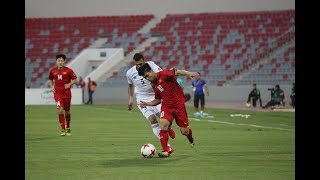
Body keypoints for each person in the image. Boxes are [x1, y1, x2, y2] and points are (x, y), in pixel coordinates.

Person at [138, 63, 200, 158]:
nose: (147, 78)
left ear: (151, 71)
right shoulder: (154, 85)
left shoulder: (164, 74)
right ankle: (166, 150)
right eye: (145, 78)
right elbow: (158, 100)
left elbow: (177, 72)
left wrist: (189, 73)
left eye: (147, 75)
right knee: (163, 124)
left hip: (179, 106)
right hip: (167, 107)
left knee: (184, 131)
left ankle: (190, 138)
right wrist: (147, 103)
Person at [126, 53, 175, 145]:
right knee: (152, 119)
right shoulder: (129, 73)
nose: (139, 66)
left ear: (144, 61)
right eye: (137, 64)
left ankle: (169, 127)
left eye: (141, 64)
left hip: (156, 96)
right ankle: (166, 145)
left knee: (165, 119)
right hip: (142, 98)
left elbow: (161, 74)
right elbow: (130, 86)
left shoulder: (151, 65)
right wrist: (130, 98)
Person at [48, 54, 77, 136]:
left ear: (64, 62)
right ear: (56, 62)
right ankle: (62, 129)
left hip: (67, 94)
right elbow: (50, 79)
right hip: (57, 94)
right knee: (60, 109)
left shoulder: (69, 70)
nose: (60, 62)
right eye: (59, 61)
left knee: (67, 111)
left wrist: (69, 83)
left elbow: (75, 79)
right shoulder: (53, 71)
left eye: (62, 61)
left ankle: (68, 127)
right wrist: (51, 86)